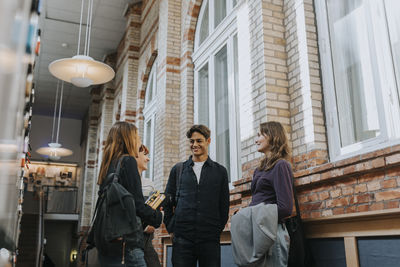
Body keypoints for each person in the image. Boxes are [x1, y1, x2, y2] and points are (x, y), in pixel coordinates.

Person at [96, 121, 163, 267]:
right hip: (128, 244)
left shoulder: (107, 165)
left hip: (107, 242)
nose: (139, 141)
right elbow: (137, 205)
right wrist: (157, 217)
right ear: (128, 138)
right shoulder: (128, 161)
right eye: (137, 136)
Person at [164, 124, 230, 267]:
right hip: (182, 239)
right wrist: (171, 228)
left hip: (209, 239)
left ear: (208, 141)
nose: (195, 144)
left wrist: (216, 229)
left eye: (199, 141)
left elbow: (224, 205)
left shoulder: (220, 172)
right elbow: (167, 201)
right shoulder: (178, 170)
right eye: (192, 141)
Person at [250, 121, 294, 266]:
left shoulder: (281, 165)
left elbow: (286, 208)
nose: (255, 140)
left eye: (259, 135)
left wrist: (256, 215)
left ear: (272, 136)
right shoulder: (259, 170)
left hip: (272, 231)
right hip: (258, 229)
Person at [136, 144, 161, 267]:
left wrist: (151, 223)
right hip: (133, 239)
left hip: (147, 240)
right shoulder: (124, 182)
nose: (148, 159)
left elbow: (155, 208)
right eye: (144, 155)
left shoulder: (149, 184)